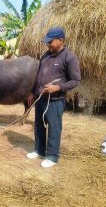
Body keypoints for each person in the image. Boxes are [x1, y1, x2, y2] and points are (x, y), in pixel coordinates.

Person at [26, 26, 81, 168]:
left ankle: (52, 156)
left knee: (54, 127)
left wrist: (58, 87)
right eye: (47, 42)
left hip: (55, 101)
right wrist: (33, 92)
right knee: (38, 126)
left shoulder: (69, 57)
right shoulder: (46, 55)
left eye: (51, 42)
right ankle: (39, 150)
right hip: (40, 98)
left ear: (61, 40)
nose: (48, 44)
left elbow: (76, 80)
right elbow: (39, 76)